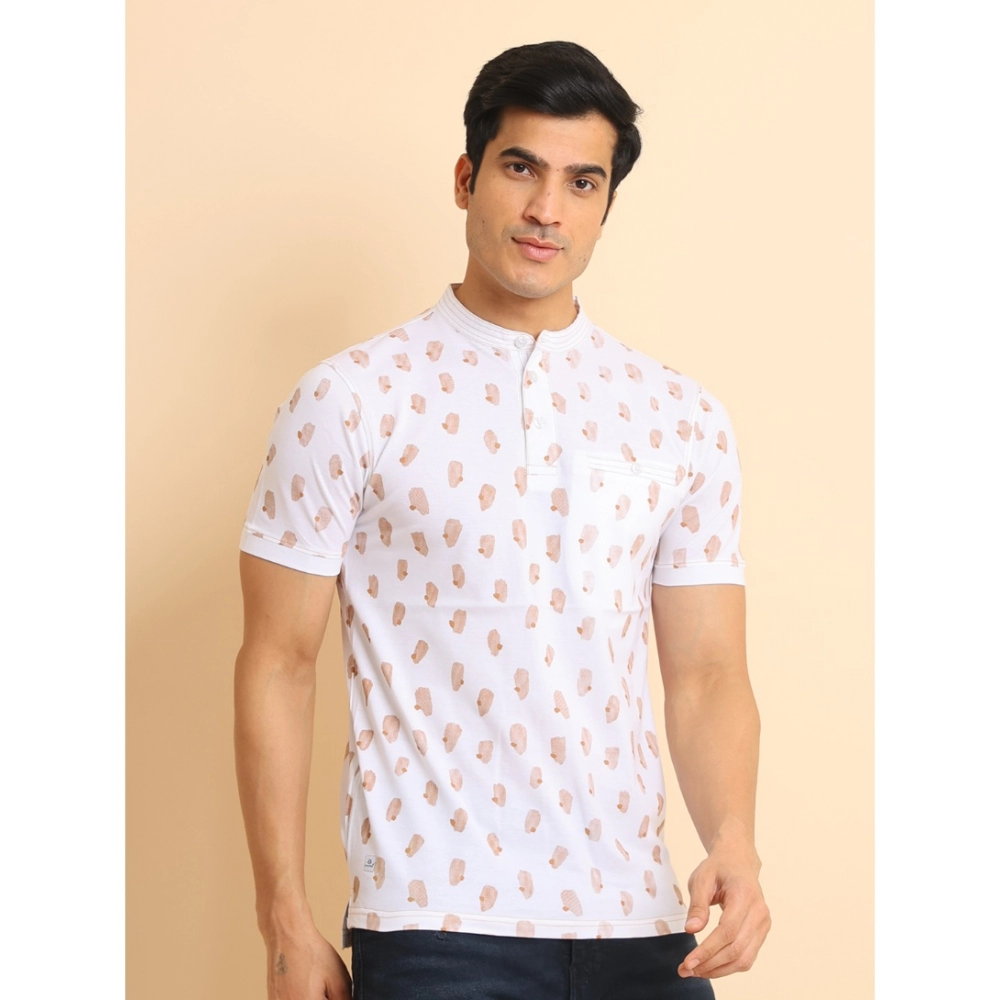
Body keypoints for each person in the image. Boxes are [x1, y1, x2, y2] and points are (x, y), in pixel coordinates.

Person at [234, 40, 770, 1000]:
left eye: (582, 182)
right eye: (521, 168)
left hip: (642, 921)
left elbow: (707, 673)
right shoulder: (351, 399)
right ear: (466, 179)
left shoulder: (680, 416)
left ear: (606, 206)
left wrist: (734, 838)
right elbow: (278, 661)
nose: (546, 209)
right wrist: (284, 919)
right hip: (434, 924)